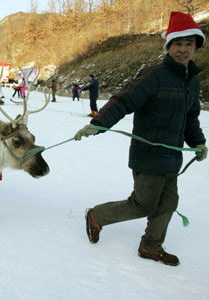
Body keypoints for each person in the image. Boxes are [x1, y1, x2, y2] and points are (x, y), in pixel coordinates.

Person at [74, 11, 207, 266]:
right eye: (177, 44)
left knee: (168, 203)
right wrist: (98, 124)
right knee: (144, 204)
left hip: (172, 155)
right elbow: (124, 100)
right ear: (168, 46)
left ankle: (151, 245)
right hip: (148, 154)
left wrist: (198, 142)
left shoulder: (192, 82)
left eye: (189, 44)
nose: (183, 49)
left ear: (196, 47)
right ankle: (97, 215)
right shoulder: (155, 76)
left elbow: (190, 117)